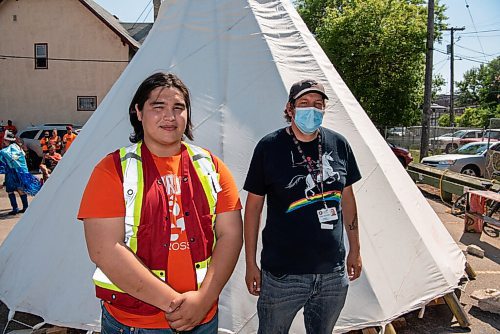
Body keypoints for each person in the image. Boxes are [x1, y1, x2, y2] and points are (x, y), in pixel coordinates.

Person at [79, 72, 243, 333]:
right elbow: (104, 249)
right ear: (138, 112)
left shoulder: (212, 167)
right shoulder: (111, 170)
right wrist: (176, 305)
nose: (170, 116)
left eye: (179, 108)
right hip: (134, 322)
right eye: (158, 107)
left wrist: (202, 301)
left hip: (203, 319)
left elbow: (231, 235)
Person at [243, 79, 362, 334]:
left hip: (332, 273)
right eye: (304, 103)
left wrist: (356, 250)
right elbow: (253, 209)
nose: (312, 109)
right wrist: (250, 263)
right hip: (283, 276)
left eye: (318, 104)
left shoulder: (339, 145)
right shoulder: (269, 147)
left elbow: (348, 201)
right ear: (290, 108)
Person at [0, 131, 41, 214]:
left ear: (7, 140)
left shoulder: (11, 147)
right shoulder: (17, 147)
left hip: (15, 171)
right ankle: (23, 207)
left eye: (4, 140)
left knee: (14, 190)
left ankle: (18, 208)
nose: (3, 142)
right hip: (16, 171)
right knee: (18, 190)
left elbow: (6, 154)